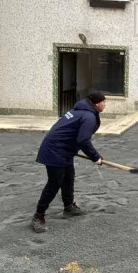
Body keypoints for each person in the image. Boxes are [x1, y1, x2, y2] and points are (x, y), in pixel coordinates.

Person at [31, 91, 107, 233]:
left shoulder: (80, 111)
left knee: (68, 177)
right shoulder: (88, 116)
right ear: (97, 104)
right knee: (54, 183)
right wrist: (95, 157)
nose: (105, 104)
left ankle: (69, 207)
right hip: (55, 150)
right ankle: (38, 216)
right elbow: (83, 140)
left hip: (63, 150)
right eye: (104, 102)